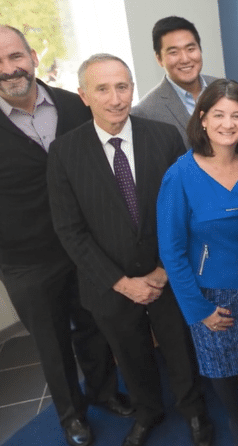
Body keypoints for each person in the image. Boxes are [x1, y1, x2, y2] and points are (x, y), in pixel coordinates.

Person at [47, 54, 212, 446]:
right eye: (102, 89)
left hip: (167, 274)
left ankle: (194, 412)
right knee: (131, 355)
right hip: (109, 285)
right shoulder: (64, 153)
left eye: (123, 86)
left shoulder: (164, 137)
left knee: (180, 350)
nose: (115, 98)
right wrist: (122, 283)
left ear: (133, 88)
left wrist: (163, 270)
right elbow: (70, 230)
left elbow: (186, 210)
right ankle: (148, 412)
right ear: (83, 95)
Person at [0, 25, 131, 446]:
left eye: (15, 56)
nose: (9, 69)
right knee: (51, 341)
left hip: (84, 246)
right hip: (25, 259)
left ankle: (104, 392)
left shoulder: (76, 106)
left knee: (93, 324)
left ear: (34, 56)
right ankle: (71, 416)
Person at [157, 79, 238, 446]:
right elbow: (172, 252)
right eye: (219, 115)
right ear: (203, 119)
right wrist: (198, 309)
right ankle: (236, 417)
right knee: (221, 365)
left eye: (237, 115)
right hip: (210, 294)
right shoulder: (179, 175)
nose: (228, 124)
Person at [132, 16, 218, 148]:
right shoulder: (145, 113)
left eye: (190, 49)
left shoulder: (225, 89)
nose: (185, 59)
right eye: (173, 52)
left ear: (200, 50)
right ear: (159, 59)